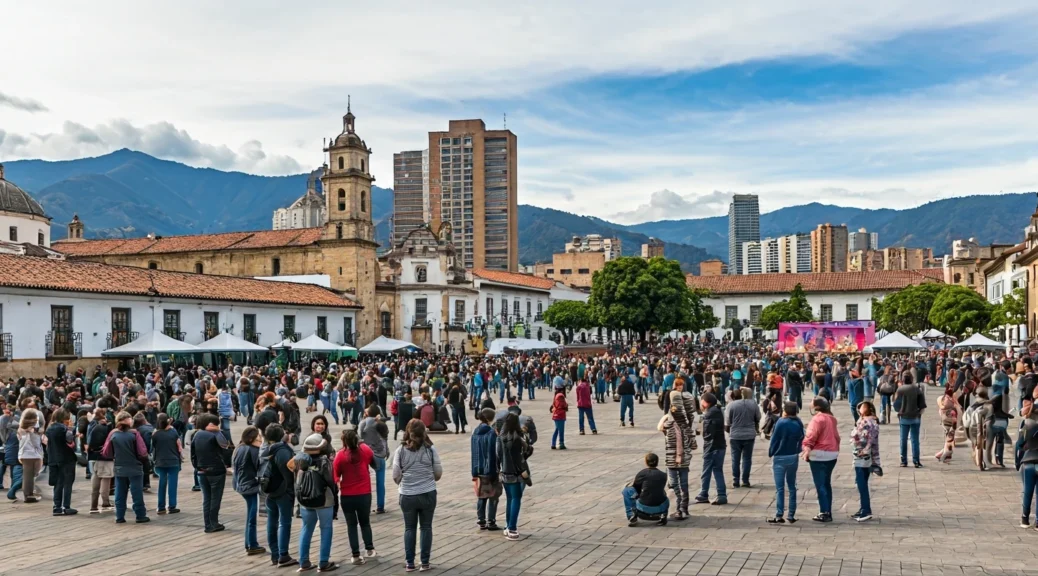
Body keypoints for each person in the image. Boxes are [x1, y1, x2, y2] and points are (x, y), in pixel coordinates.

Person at [392, 419, 443, 573]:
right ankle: (425, 562)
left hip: (408, 495)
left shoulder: (400, 450)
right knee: (426, 527)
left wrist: (404, 481)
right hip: (428, 493)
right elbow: (438, 474)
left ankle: (410, 563)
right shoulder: (430, 449)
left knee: (409, 528)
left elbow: (396, 475)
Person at [333, 428, 378, 565]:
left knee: (351, 525)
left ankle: (355, 555)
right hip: (364, 493)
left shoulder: (340, 455)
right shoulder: (365, 450)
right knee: (365, 523)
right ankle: (369, 549)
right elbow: (375, 465)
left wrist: (339, 483)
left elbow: (335, 474)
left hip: (347, 495)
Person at [295, 433, 337, 573]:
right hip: (324, 499)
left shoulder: (300, 460)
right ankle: (323, 562)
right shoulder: (324, 461)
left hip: (305, 499)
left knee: (306, 528)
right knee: (326, 529)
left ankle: (304, 562)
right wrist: (335, 494)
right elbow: (331, 481)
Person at [101, 411, 150, 524]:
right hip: (135, 467)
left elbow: (106, 452)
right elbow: (142, 452)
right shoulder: (134, 434)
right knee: (136, 492)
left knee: (120, 492)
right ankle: (140, 515)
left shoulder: (113, 434)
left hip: (119, 467)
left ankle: (119, 516)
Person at [261, 423, 298, 568]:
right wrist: (290, 488)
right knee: (284, 522)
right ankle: (283, 554)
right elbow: (288, 471)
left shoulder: (266, 449)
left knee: (272, 521)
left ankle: (275, 554)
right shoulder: (282, 451)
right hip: (282, 490)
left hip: (269, 489)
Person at [191, 413, 231, 533]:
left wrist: (197, 467)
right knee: (215, 498)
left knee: (207, 498)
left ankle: (208, 524)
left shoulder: (196, 435)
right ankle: (213, 523)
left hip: (201, 470)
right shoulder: (215, 434)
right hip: (216, 471)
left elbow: (193, 455)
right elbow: (225, 448)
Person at [802, 397, 840, 523]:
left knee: (821, 484)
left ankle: (824, 511)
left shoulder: (817, 419)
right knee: (826, 483)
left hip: (819, 454)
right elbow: (836, 436)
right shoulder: (832, 418)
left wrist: (806, 449)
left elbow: (811, 436)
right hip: (832, 453)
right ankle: (827, 509)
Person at [767, 402, 804, 524]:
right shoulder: (798, 422)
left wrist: (771, 452)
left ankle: (779, 514)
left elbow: (774, 439)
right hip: (793, 456)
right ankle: (791, 514)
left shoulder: (781, 422)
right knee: (792, 486)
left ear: (785, 411)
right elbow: (801, 437)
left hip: (780, 456)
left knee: (780, 488)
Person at [232, 426, 266, 556]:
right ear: (252, 438)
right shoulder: (253, 450)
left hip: (240, 485)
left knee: (250, 515)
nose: (260, 439)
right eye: (258, 437)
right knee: (252, 517)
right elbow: (260, 467)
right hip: (249, 486)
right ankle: (252, 544)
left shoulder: (239, 448)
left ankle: (249, 542)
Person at [659, 397, 694, 520]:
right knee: (684, 484)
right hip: (684, 461)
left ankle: (679, 508)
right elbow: (693, 445)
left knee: (674, 485)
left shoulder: (667, 426)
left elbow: (659, 427)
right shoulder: (687, 428)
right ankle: (683, 509)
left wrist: (666, 417)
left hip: (671, 460)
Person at [498, 412, 530, 540]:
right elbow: (521, 457)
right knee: (516, 498)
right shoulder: (518, 438)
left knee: (510, 498)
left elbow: (498, 455)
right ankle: (512, 528)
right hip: (517, 473)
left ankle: (507, 526)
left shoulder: (501, 437)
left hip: (505, 471)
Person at [471, 407, 502, 531]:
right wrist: (495, 469)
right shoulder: (491, 433)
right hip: (489, 468)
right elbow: (493, 453)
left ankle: (481, 520)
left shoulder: (475, 432)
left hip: (477, 468)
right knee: (493, 495)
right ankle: (491, 521)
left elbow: (473, 453)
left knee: (481, 495)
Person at [694, 393, 727, 506]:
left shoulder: (710, 414)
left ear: (705, 402)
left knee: (706, 471)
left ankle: (704, 494)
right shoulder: (717, 410)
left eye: (701, 401)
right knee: (718, 470)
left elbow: (708, 434)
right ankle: (721, 495)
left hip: (712, 447)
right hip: (720, 445)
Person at [850, 400, 880, 522]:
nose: (860, 409)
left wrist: (856, 440)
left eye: (862, 407)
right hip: (866, 455)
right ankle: (863, 507)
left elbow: (864, 438)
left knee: (861, 483)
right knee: (862, 482)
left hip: (862, 455)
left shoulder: (867, 422)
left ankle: (866, 510)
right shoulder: (870, 421)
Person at [725, 387, 760, 489]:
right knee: (747, 458)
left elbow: (727, 421)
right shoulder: (752, 403)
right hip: (749, 434)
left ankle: (736, 480)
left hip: (735, 435)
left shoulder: (730, 405)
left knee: (735, 459)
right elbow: (758, 417)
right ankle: (745, 480)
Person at [45, 408, 78, 515]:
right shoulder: (65, 429)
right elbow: (70, 441)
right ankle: (66, 506)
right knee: (68, 483)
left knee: (58, 483)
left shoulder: (49, 429)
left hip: (53, 458)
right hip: (66, 459)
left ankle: (57, 506)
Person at [357, 405, 389, 514]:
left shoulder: (363, 423)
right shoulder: (381, 424)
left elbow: (359, 437)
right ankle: (380, 506)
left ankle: (366, 506)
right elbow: (385, 439)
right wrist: (386, 451)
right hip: (380, 454)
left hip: (365, 454)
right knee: (380, 482)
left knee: (365, 481)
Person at [622, 452, 669, 527]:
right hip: (660, 507)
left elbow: (636, 488)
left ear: (646, 462)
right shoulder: (663, 475)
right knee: (662, 492)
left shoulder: (642, 473)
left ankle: (631, 515)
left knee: (627, 491)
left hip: (643, 507)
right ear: (657, 462)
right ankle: (663, 514)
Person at [152, 413, 183, 515]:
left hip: (160, 461)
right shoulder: (173, 432)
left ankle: (161, 507)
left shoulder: (155, 434)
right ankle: (172, 506)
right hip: (173, 461)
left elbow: (151, 448)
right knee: (172, 484)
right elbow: (179, 447)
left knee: (162, 484)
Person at [894, 373, 926, 468]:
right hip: (915, 417)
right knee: (915, 440)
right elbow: (922, 404)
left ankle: (904, 461)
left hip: (904, 417)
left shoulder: (900, 389)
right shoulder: (917, 389)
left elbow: (896, 405)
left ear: (903, 380)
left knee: (903, 439)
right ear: (912, 379)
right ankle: (916, 461)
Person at [1014, 398, 1038, 528]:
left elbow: (1019, 445)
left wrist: (1017, 462)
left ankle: (1025, 519)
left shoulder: (1026, 424)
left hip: (1028, 461)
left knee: (1027, 491)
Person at [85, 408, 114, 513]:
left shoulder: (91, 425)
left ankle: (93, 505)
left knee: (96, 477)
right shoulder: (104, 427)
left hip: (93, 456)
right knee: (106, 478)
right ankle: (105, 502)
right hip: (104, 456)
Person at [16, 409, 44, 503]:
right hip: (33, 454)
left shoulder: (20, 428)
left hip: (23, 454)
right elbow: (36, 443)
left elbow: (19, 439)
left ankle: (28, 494)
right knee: (32, 475)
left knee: (28, 475)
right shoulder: (34, 429)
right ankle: (28, 495)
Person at [935, 384, 959, 463]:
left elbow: (942, 407)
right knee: (949, 437)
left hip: (946, 420)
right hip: (950, 420)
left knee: (948, 437)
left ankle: (945, 453)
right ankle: (946, 452)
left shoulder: (941, 399)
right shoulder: (952, 400)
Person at [550, 382, 569, 450]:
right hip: (560, 415)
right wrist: (566, 406)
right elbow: (562, 405)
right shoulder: (561, 396)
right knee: (561, 430)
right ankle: (561, 443)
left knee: (557, 429)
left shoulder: (556, 395)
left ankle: (553, 443)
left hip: (556, 415)